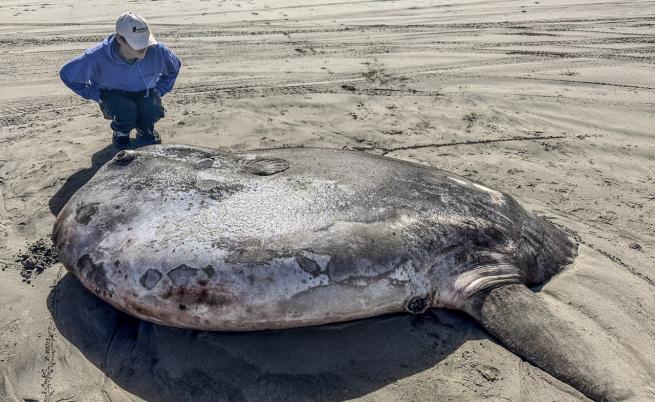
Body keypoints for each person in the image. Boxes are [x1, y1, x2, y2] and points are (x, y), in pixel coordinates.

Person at [59, 12, 181, 148]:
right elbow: (67, 75)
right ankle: (121, 133)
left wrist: (160, 90)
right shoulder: (96, 56)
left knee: (151, 106)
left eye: (145, 41)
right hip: (113, 97)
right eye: (137, 43)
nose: (143, 47)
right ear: (120, 39)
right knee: (125, 109)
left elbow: (174, 68)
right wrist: (98, 96)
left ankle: (145, 129)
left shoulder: (158, 51)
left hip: (145, 93)